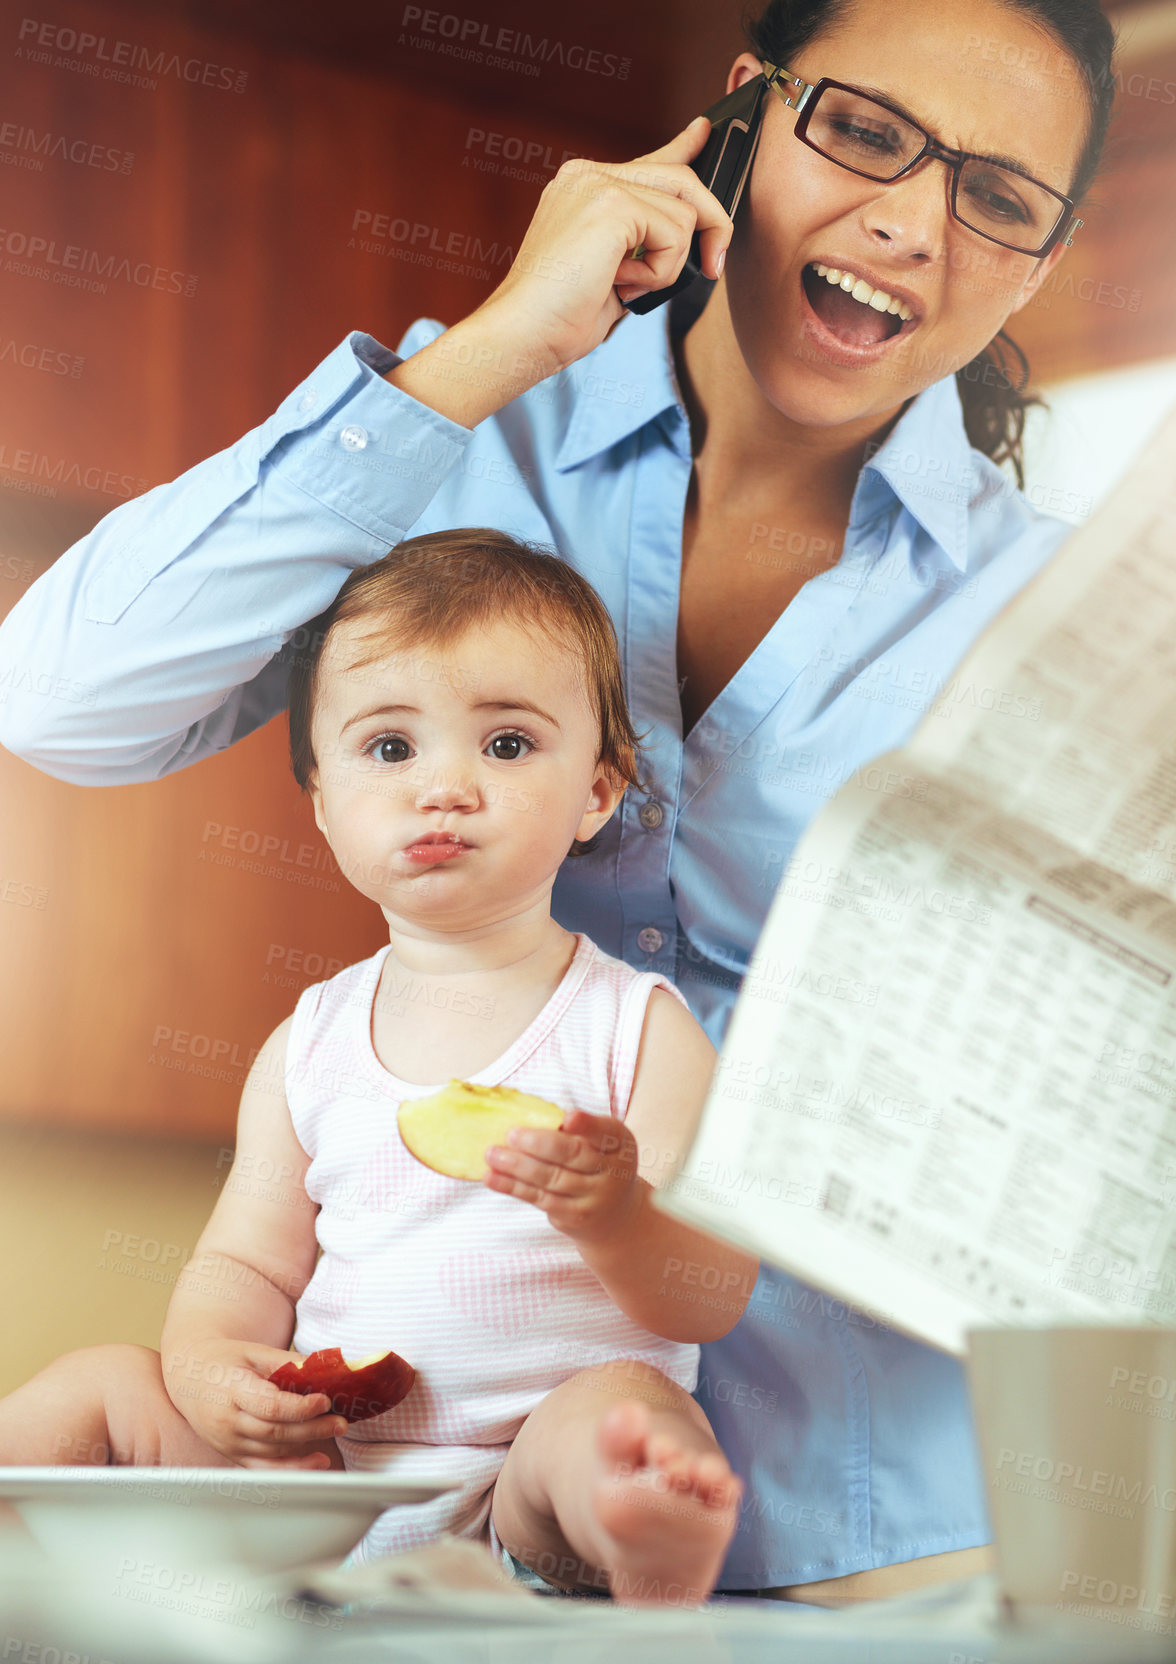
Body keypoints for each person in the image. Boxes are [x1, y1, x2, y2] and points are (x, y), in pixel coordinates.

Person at [0, 0, 1116, 1606]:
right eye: (865, 132)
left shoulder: (1070, 625)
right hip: (411, 1502)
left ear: (1039, 259)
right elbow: (63, 703)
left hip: (878, 1522)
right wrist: (506, 338)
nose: (911, 222)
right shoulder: (453, 447)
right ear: (742, 116)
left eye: (999, 198)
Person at [0, 530, 758, 1607]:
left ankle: (643, 1526)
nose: (442, 786)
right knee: (102, 1383)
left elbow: (711, 1292)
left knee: (622, 1409)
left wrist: (616, 1216)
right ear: (321, 800)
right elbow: (246, 1270)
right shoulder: (307, 1042)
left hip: (513, 1492)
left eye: (504, 744)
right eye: (390, 748)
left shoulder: (636, 1026)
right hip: (312, 1492)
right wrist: (214, 1371)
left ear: (595, 791)